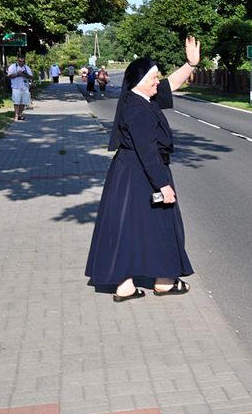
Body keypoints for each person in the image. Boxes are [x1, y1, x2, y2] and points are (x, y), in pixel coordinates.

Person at [85, 36, 202, 301]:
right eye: (154, 78)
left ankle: (125, 285)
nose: (158, 82)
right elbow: (148, 152)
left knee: (128, 227)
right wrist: (164, 185)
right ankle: (164, 281)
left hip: (130, 175)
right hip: (142, 174)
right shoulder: (138, 109)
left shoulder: (141, 99)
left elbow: (171, 84)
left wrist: (190, 64)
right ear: (140, 81)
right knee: (162, 225)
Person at [6, 55, 33, 121]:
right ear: (17, 61)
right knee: (16, 102)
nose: (21, 63)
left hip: (25, 87)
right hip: (16, 87)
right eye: (20, 61)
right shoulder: (13, 66)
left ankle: (20, 115)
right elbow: (9, 75)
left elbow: (31, 77)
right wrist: (17, 74)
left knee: (23, 102)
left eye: (23, 61)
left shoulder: (26, 67)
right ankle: (16, 115)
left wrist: (25, 74)